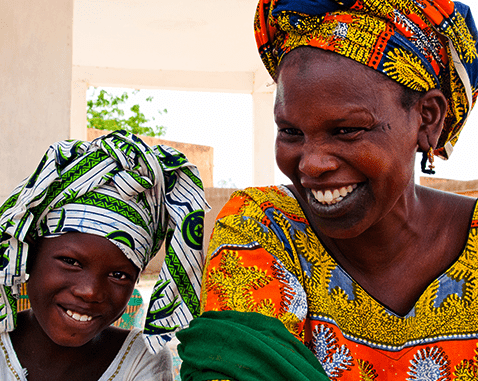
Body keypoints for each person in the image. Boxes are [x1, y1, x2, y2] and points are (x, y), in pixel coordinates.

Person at [177, 0, 478, 380]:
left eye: (346, 130)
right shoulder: (267, 225)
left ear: (428, 118)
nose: (311, 164)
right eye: (291, 132)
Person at [0, 130, 209, 380]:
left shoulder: (141, 361)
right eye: (71, 262)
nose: (90, 291)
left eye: (119, 275)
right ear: (30, 252)